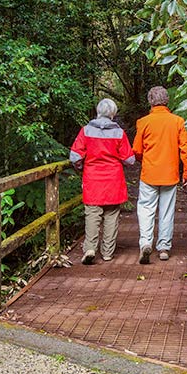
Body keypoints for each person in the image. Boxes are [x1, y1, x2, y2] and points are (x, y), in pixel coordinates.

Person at [69, 98, 135, 264]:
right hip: (114, 179)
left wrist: (80, 166)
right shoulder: (119, 133)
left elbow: (75, 156)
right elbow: (130, 160)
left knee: (92, 214)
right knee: (111, 215)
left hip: (92, 179)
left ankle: (90, 247)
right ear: (113, 114)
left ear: (98, 111)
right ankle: (107, 252)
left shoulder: (85, 131)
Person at [132, 86, 187, 264]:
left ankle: (145, 243)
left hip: (149, 173)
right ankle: (164, 247)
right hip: (170, 174)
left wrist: (143, 159)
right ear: (167, 101)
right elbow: (185, 150)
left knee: (146, 209)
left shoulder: (143, 122)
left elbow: (136, 149)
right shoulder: (178, 121)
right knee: (166, 211)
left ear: (150, 101)